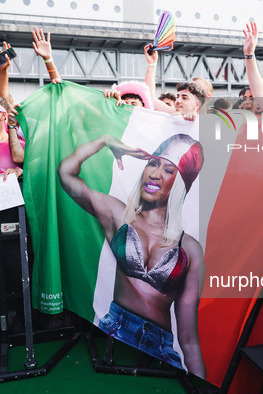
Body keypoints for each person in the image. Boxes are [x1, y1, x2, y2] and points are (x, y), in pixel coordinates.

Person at [58, 133, 206, 378]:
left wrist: (204, 383)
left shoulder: (190, 249)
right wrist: (104, 141)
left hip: (161, 349)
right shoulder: (117, 214)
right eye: (153, 163)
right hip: (114, 332)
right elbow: (66, 173)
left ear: (181, 183)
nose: (155, 173)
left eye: (168, 169)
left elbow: (189, 339)